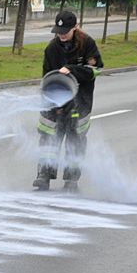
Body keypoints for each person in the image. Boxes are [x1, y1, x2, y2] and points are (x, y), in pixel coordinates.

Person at [33, 11, 103, 192]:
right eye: (59, 31)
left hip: (80, 103)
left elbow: (95, 70)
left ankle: (71, 180)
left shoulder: (87, 44)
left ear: (75, 28)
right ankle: (44, 176)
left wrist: (71, 70)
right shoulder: (51, 49)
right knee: (48, 139)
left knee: (76, 141)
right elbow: (46, 77)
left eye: (65, 31)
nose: (61, 35)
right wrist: (52, 102)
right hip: (53, 102)